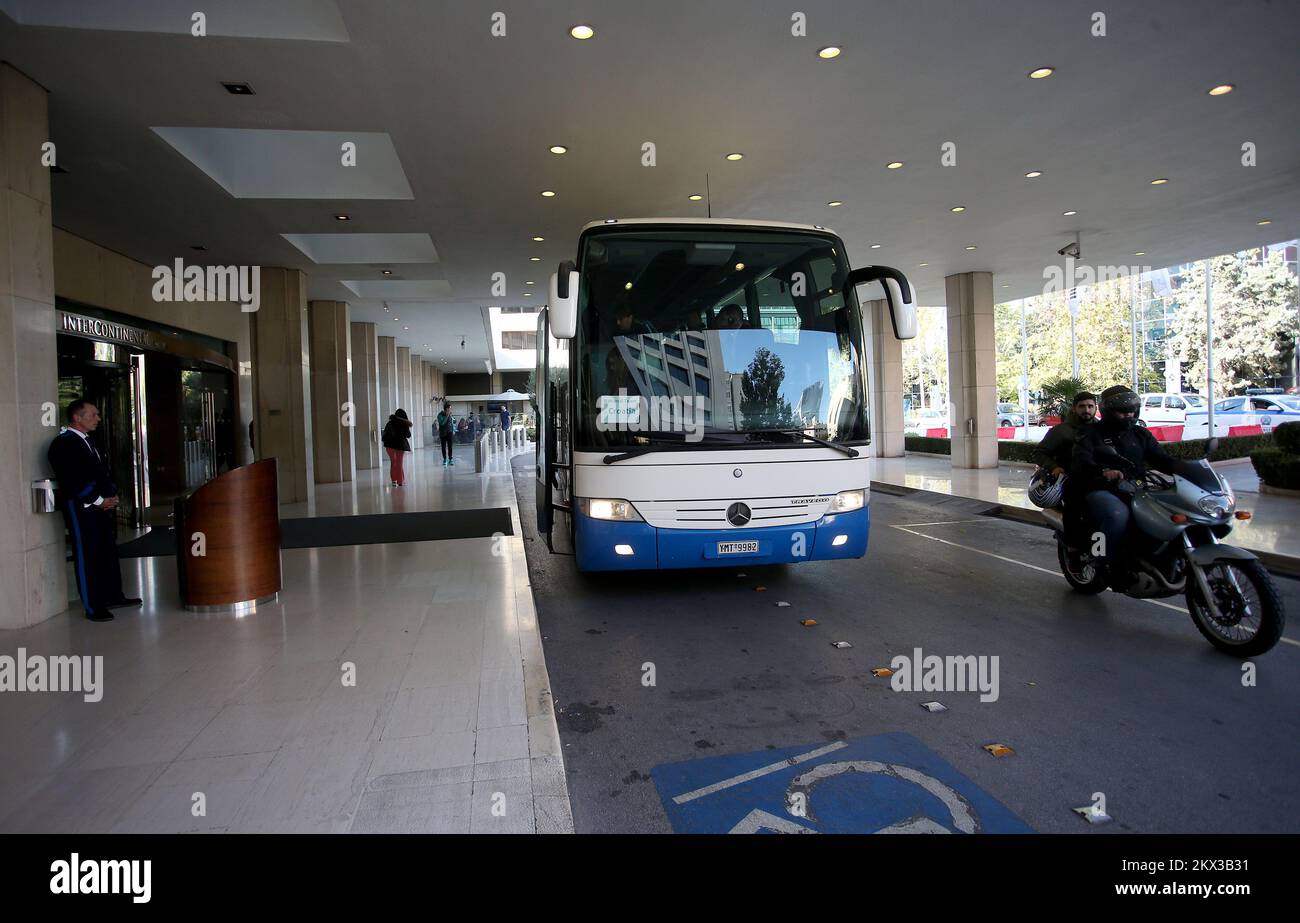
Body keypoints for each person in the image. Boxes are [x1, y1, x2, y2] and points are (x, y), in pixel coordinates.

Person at [1072, 386, 1177, 589]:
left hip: (1135, 488)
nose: (1128, 415)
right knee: (1117, 514)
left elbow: (1162, 459)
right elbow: (1081, 461)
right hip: (1100, 488)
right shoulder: (1090, 433)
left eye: (1131, 411)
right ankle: (1104, 560)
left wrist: (1187, 468)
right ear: (1108, 412)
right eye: (1122, 411)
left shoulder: (1140, 434)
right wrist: (1102, 471)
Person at [47, 399, 141, 622]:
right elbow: (71, 479)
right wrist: (97, 499)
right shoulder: (63, 444)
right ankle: (93, 605)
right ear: (77, 418)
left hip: (101, 507)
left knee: (106, 551)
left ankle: (112, 596)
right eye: (93, 414)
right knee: (87, 555)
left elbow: (100, 472)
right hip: (82, 509)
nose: (98, 418)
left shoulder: (90, 442)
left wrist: (111, 494)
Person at [1032, 391, 1097, 477]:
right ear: (1074, 408)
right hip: (1068, 482)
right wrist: (1054, 467)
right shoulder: (1061, 431)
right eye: (1082, 406)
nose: (1086, 410)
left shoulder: (1102, 429)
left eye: (1090, 406)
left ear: (1095, 408)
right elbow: (1039, 453)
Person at [381, 408, 413, 487]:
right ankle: (400, 481)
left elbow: (386, 433)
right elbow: (408, 435)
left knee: (393, 463)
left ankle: (394, 481)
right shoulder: (404, 424)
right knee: (399, 463)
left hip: (390, 446)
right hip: (400, 446)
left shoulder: (390, 423)